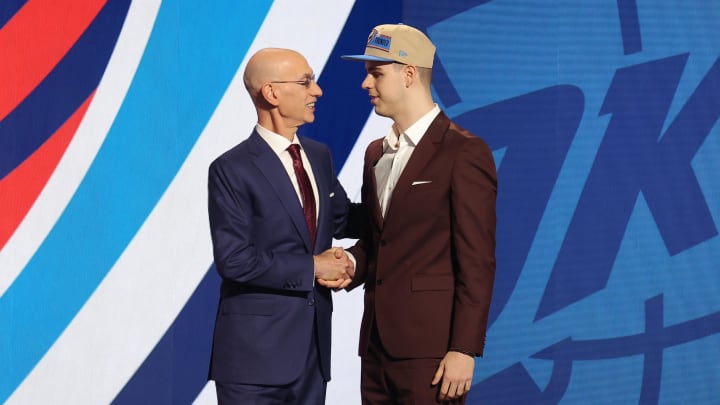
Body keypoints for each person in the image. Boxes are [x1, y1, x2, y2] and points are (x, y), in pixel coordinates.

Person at [339, 23, 498, 404]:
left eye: (375, 73)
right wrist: (349, 263)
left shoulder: (464, 152)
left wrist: (464, 348)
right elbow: (385, 240)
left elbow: (477, 260)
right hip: (375, 349)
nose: (365, 84)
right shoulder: (374, 152)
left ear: (409, 74)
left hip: (433, 353)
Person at [207, 47, 353, 404]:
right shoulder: (231, 169)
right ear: (271, 93)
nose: (317, 91)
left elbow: (345, 219)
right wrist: (314, 266)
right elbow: (235, 260)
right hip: (253, 363)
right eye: (306, 82)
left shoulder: (318, 155)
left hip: (312, 357)